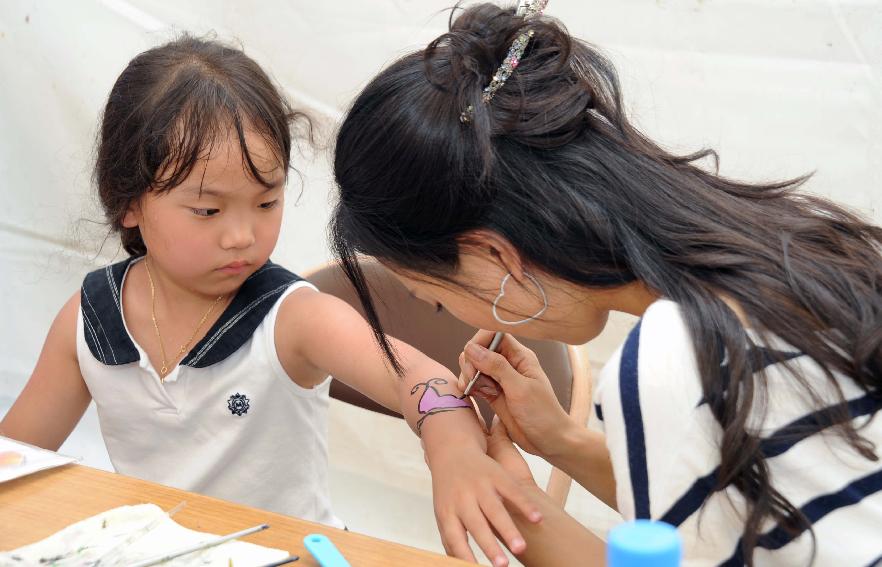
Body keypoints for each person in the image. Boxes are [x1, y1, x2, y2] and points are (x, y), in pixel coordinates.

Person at [329, 2, 882, 565]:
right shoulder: (806, 246)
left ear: (493, 255)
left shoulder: (678, 356)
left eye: (440, 301)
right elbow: (742, 516)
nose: (467, 321)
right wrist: (560, 443)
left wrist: (514, 502)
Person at [0, 35, 541, 565]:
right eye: (208, 211)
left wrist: (450, 445)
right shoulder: (89, 322)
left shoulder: (293, 319)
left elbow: (422, 380)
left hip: (295, 555)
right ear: (128, 203)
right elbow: (16, 458)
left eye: (266, 201)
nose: (242, 235)